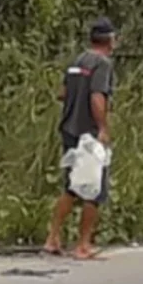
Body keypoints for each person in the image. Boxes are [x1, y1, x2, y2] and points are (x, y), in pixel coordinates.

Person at [43, 17, 118, 259]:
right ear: (110, 40)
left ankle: (53, 238)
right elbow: (98, 96)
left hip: (69, 129)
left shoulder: (78, 61)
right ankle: (83, 245)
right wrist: (102, 128)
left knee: (71, 186)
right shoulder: (102, 63)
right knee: (94, 189)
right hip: (89, 134)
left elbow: (62, 93)